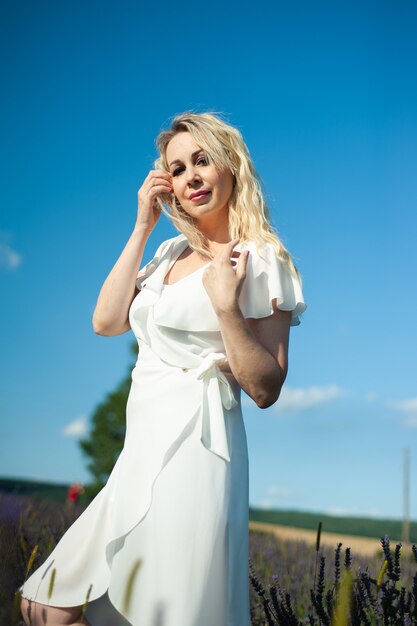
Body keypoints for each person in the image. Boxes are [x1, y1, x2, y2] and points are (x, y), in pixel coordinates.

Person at [19, 112, 306, 626]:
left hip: (197, 451)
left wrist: (225, 308)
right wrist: (140, 227)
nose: (191, 176)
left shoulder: (262, 257)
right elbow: (106, 321)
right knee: (43, 606)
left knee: (161, 612)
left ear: (230, 166)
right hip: (139, 453)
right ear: (166, 184)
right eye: (177, 168)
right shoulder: (169, 250)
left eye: (202, 160)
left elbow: (266, 387)